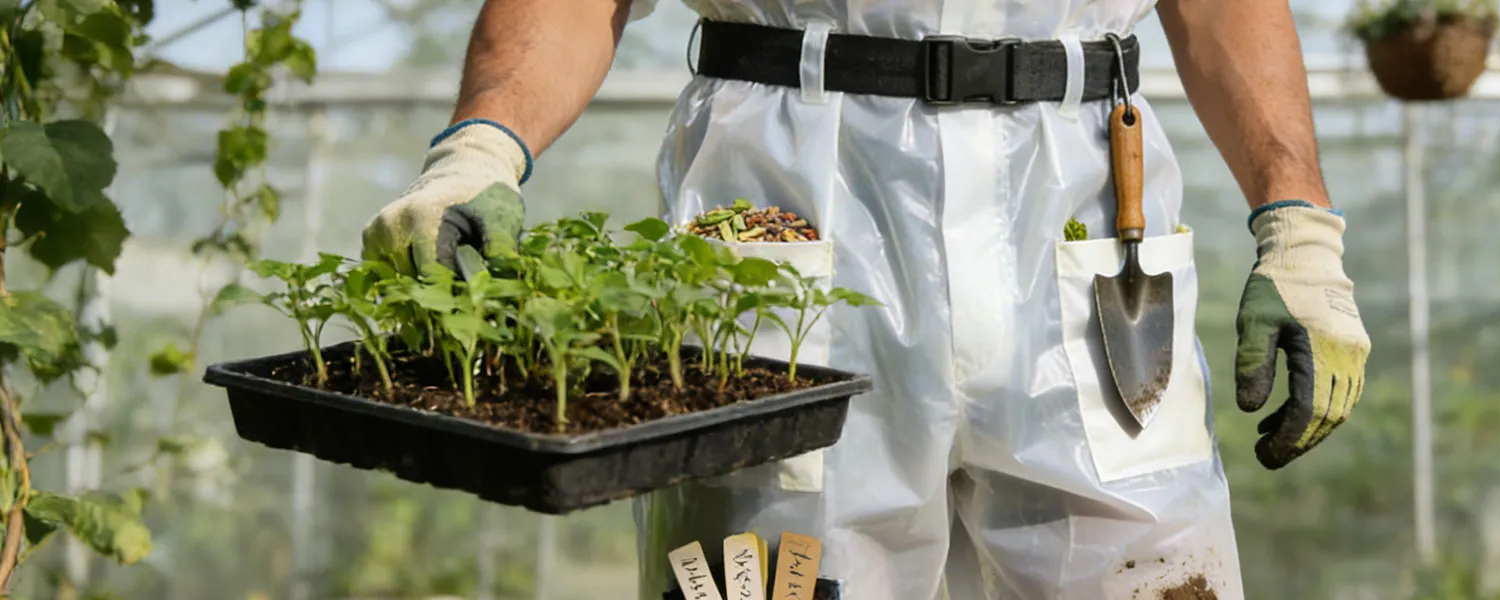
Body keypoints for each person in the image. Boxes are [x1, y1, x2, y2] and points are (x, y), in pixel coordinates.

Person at [359, 0, 1371, 597]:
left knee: (1154, 576)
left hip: (1084, 214)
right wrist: (481, 146)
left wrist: (1299, 226)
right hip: (791, 212)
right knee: (773, 569)